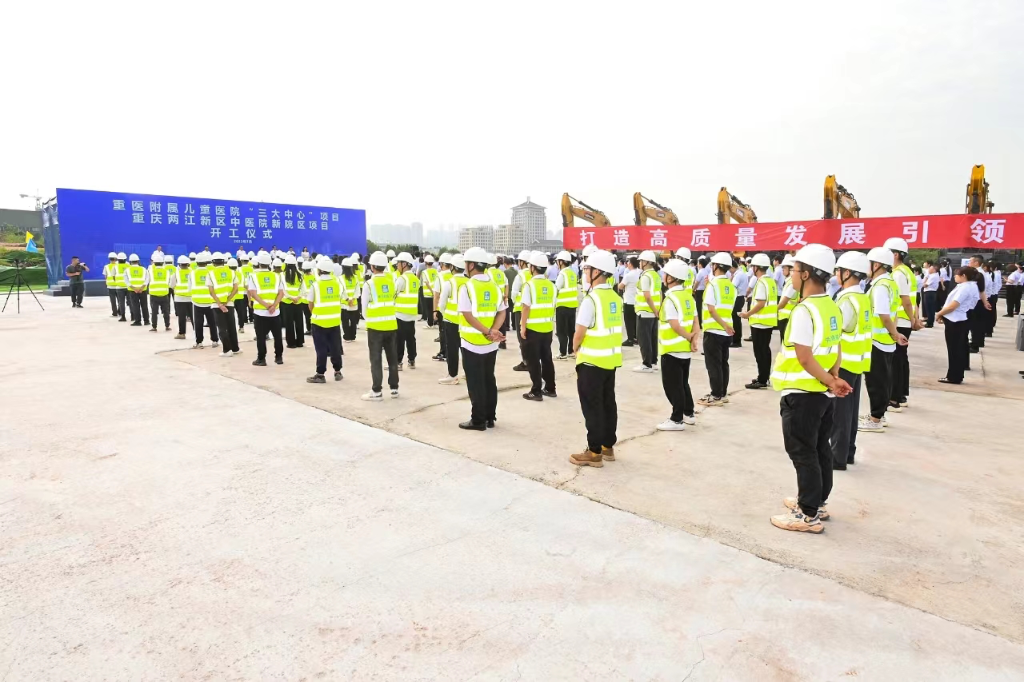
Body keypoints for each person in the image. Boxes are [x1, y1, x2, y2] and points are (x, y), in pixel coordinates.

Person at [769, 244, 852, 534]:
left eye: (793, 270)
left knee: (803, 453)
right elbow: (836, 347)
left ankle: (807, 515)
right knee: (819, 450)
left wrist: (830, 380)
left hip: (802, 394)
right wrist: (833, 377)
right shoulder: (831, 305)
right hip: (822, 394)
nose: (789, 275)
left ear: (805, 274)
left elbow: (804, 357)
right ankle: (817, 502)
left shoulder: (804, 310)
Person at [570, 250, 623, 468]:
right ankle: (607, 446)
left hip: (591, 361)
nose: (585, 273)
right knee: (608, 403)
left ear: (597, 272)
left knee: (592, 406)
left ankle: (593, 452)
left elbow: (579, 332)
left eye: (587, 269)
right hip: (609, 361)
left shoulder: (591, 300)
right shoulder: (615, 298)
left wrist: (575, 348)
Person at [829, 251, 872, 470]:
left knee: (840, 414)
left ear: (846, 273)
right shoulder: (862, 298)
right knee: (851, 412)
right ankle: (848, 452)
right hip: (857, 361)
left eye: (838, 271)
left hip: (843, 362)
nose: (836, 275)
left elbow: (836, 331)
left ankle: (837, 457)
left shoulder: (846, 299)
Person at [457, 247, 507, 430]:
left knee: (475, 382)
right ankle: (489, 417)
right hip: (490, 344)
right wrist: (494, 330)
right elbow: (502, 311)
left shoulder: (467, 287)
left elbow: (467, 315)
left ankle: (478, 420)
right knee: (488, 379)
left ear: (471, 265)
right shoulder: (494, 286)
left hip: (472, 343)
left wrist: (487, 331)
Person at [858, 247, 906, 433]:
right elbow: (893, 313)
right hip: (884, 340)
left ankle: (875, 419)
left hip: (877, 340)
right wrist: (894, 334)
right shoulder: (889, 282)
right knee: (883, 379)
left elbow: (884, 315)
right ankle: (879, 415)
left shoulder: (880, 286)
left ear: (876, 265)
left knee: (876, 381)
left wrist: (895, 334)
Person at [656, 259, 700, 431]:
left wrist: (689, 337)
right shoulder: (688, 296)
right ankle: (689, 414)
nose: (663, 277)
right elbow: (696, 322)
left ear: (671, 278)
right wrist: (693, 340)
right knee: (683, 384)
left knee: (673, 387)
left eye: (665, 274)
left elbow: (674, 325)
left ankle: (676, 419)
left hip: (671, 350)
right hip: (685, 350)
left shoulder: (670, 299)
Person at [884, 238, 920, 411]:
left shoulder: (898, 274)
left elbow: (905, 300)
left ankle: (894, 398)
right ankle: (901, 395)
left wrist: (913, 320)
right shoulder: (906, 271)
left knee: (895, 360)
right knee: (901, 359)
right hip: (904, 320)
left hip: (900, 321)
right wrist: (914, 318)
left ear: (896, 255)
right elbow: (914, 299)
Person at [698, 252, 737, 407]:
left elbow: (711, 310)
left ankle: (716, 395)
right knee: (723, 363)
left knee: (713, 365)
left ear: (716, 266)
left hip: (714, 329)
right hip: (726, 331)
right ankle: (722, 393)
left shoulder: (713, 286)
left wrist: (723, 325)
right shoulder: (731, 286)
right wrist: (726, 326)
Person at [362, 251, 400, 401]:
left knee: (376, 359)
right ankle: (394, 388)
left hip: (375, 328)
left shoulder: (369, 284)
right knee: (392, 358)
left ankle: (376, 391)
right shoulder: (392, 282)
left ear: (372, 266)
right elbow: (393, 301)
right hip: (391, 325)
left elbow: (364, 309)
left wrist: (371, 319)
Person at [520, 251, 557, 401]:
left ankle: (536, 391)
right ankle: (550, 388)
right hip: (547, 328)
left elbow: (525, 307)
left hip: (533, 329)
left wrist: (522, 327)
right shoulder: (552, 286)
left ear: (532, 268)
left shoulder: (529, 285)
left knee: (533, 361)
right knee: (547, 359)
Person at [738, 253, 778, 389]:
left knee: (760, 352)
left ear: (756, 268)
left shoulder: (761, 282)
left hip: (760, 323)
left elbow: (761, 303)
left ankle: (762, 379)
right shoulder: (770, 281)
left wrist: (747, 314)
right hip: (768, 322)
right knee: (765, 351)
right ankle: (765, 376)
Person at [936, 267, 978, 385]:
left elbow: (953, 305)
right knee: (958, 348)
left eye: (957, 274)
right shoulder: (971, 286)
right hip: (960, 318)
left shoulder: (965, 287)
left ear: (963, 276)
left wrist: (939, 313)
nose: (955, 276)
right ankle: (956, 374)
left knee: (954, 349)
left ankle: (953, 376)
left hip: (956, 320)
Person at [306, 257, 344, 384]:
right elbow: (341, 298)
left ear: (319, 270)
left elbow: (310, 304)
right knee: (335, 347)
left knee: (321, 349)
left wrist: (316, 314)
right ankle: (338, 371)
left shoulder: (315, 285)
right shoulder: (338, 284)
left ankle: (320, 374)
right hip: (334, 321)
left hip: (319, 322)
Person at [247, 252, 285, 366]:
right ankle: (279, 357)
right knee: (277, 336)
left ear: (258, 263)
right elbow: (281, 293)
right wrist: (273, 305)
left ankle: (261, 359)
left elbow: (253, 294)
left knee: (261, 337)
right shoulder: (277, 276)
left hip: (260, 312)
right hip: (275, 312)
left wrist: (266, 305)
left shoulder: (253, 276)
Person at [438, 254, 467, 385]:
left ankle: (453, 375)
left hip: (451, 321)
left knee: (452, 349)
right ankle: (468, 372)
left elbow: (442, 304)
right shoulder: (469, 282)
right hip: (466, 322)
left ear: (452, 268)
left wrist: (445, 315)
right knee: (465, 348)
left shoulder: (449, 283)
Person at [633, 250, 662, 372]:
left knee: (644, 339)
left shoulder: (645, 276)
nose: (639, 263)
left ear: (646, 262)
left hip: (645, 311)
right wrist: (657, 310)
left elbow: (647, 296)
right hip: (654, 312)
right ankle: (653, 362)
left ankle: (646, 364)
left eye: (641, 261)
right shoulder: (656, 275)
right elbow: (660, 293)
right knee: (652, 338)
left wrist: (654, 310)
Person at [207, 253, 241, 357]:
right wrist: (227, 301)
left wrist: (220, 304)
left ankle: (227, 350)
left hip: (217, 305)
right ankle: (235, 348)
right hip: (229, 303)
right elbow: (236, 289)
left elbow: (211, 291)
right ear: (223, 261)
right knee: (231, 326)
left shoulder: (210, 274)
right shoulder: (232, 272)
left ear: (213, 262)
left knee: (221, 328)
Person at [393, 252, 420, 370]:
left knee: (399, 339)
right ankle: (412, 360)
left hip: (400, 314)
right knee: (410, 338)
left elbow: (393, 294)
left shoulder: (401, 279)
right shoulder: (415, 279)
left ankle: (398, 362)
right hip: (411, 314)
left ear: (404, 264)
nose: (397, 266)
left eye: (398, 263)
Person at [510, 250, 534, 371]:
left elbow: (514, 294)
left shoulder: (520, 276)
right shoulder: (534, 274)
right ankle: (532, 360)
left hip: (520, 309)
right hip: (533, 310)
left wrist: (517, 302)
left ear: (522, 262)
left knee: (522, 337)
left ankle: (526, 362)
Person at [554, 250, 578, 360]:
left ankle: (562, 353)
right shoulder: (573, 273)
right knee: (571, 330)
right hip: (572, 306)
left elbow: (556, 289)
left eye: (558, 261)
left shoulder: (562, 274)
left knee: (561, 331)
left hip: (562, 306)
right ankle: (571, 351)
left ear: (561, 262)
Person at [485, 253, 509, 349]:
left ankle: (493, 340)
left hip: (493, 300)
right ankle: (503, 342)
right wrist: (506, 296)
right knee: (502, 322)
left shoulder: (487, 272)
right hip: (502, 299)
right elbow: (507, 285)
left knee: (493, 321)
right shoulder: (501, 273)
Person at [967, 255, 991, 352]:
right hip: (979, 300)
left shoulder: (978, 274)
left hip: (977, 301)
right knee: (978, 323)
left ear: (976, 263)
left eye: (970, 261)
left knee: (976, 324)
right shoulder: (979, 272)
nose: (968, 263)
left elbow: (981, 290)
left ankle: (975, 345)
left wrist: (985, 302)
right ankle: (978, 342)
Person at [280, 254, 305, 349]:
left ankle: (291, 343)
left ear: (286, 264)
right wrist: (297, 297)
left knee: (289, 323)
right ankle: (300, 342)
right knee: (299, 322)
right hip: (298, 302)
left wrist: (291, 297)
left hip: (287, 302)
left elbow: (283, 290)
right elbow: (303, 289)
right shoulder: (300, 274)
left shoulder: (282, 275)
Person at [433, 253, 454, 362]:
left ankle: (443, 353)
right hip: (453, 310)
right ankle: (450, 353)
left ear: (442, 264)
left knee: (442, 332)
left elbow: (436, 295)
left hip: (442, 309)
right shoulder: (454, 276)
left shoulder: (440, 276)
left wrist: (435, 310)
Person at [123, 254, 150, 327]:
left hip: (133, 291)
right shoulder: (144, 269)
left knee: (135, 306)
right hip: (143, 290)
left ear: (130, 261)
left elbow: (126, 281)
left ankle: (138, 321)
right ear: (138, 261)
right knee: (144, 305)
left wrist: (134, 288)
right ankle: (146, 321)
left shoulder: (127, 270)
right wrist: (141, 287)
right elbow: (147, 279)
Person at [147, 252, 171, 332]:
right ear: (163, 263)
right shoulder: (167, 272)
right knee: (166, 311)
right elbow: (169, 281)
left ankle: (154, 327)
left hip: (154, 295)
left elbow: (147, 281)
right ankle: (167, 326)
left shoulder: (150, 271)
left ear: (154, 263)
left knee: (154, 312)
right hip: (164, 294)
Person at [776, 255, 799, 341]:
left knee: (785, 341)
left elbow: (783, 302)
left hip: (787, 318)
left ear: (790, 269)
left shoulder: (792, 283)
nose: (782, 270)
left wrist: (773, 310)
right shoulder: (789, 282)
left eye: (784, 268)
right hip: (785, 317)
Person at [170, 256, 192, 339]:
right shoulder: (193, 272)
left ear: (179, 264)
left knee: (181, 317)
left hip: (179, 298)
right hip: (191, 298)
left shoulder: (176, 274)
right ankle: (197, 333)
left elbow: (171, 285)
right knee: (193, 317)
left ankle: (182, 333)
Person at [340, 257, 361, 342]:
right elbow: (358, 291)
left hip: (344, 304)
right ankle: (353, 336)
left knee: (345, 321)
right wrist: (352, 299)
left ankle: (347, 336)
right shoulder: (355, 278)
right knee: (353, 321)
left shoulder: (340, 278)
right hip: (354, 303)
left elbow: (341, 291)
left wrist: (347, 299)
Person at [729, 259, 748, 348]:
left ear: (732, 267)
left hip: (737, 298)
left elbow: (732, 287)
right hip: (740, 298)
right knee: (736, 319)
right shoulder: (741, 273)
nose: (729, 271)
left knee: (735, 320)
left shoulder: (738, 275)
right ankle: (736, 339)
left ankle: (736, 341)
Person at [103, 252, 124, 318]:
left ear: (109, 259)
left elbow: (105, 276)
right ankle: (120, 311)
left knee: (113, 300)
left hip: (110, 286)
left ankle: (114, 313)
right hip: (118, 285)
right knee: (120, 300)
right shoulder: (118, 266)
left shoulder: (106, 266)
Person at [420, 254, 438, 327]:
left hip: (428, 294)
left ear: (425, 263)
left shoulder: (424, 272)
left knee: (429, 309)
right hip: (436, 293)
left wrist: (431, 291)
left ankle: (430, 324)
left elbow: (426, 283)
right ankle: (435, 322)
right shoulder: (436, 271)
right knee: (434, 308)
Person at [300, 259, 316, 334]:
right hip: (313, 300)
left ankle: (309, 329)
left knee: (307, 316)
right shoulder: (314, 277)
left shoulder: (301, 277)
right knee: (313, 314)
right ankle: (314, 329)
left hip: (304, 301)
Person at [923, 263, 941, 327]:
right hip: (931, 293)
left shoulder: (933, 276)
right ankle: (930, 322)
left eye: (930, 269)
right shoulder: (934, 275)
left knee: (929, 308)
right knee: (930, 308)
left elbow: (925, 285)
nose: (928, 270)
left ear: (934, 270)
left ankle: (930, 323)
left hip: (929, 293)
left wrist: (926, 278)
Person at [693, 256, 710, 322]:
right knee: (703, 306)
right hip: (704, 290)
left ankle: (699, 321)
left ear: (700, 264)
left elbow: (696, 282)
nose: (697, 264)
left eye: (698, 263)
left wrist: (693, 289)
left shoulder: (700, 272)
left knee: (698, 307)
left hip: (699, 291)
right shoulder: (706, 272)